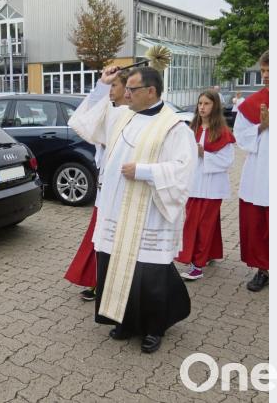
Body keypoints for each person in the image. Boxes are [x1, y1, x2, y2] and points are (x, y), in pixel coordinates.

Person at [68, 65, 196, 353]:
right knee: (115, 266)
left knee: (148, 275)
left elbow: (184, 170)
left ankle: (153, 329)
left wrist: (144, 171)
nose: (125, 94)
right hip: (116, 211)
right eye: (125, 89)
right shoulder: (122, 116)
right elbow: (86, 124)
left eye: (131, 89)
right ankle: (124, 321)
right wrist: (103, 85)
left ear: (150, 91)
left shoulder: (174, 127)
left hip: (149, 214)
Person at [65, 70, 130, 301]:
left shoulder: (130, 114)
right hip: (106, 188)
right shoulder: (111, 110)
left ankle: (112, 284)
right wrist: (102, 82)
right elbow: (87, 115)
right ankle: (96, 281)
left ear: (127, 88)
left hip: (124, 189)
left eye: (114, 86)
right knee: (99, 236)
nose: (110, 91)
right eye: (109, 86)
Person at [176, 90, 236, 280]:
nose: (202, 107)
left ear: (215, 106)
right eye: (200, 103)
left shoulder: (223, 132)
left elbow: (228, 161)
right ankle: (209, 253)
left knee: (203, 225)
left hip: (212, 187)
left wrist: (204, 154)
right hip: (194, 184)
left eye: (207, 104)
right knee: (198, 223)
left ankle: (197, 265)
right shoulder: (192, 128)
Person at [235, 51, 269, 291]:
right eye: (263, 70)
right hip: (261, 171)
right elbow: (240, 135)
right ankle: (263, 269)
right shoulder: (252, 103)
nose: (265, 75)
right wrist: (261, 126)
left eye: (270, 71)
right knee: (259, 224)